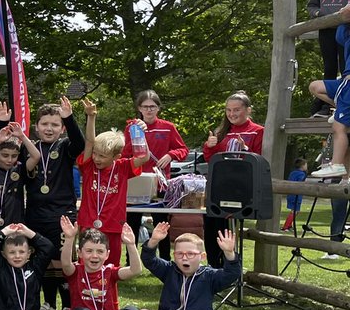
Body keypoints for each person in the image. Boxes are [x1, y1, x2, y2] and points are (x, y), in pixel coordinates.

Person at [13, 97, 85, 310]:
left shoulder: (65, 147)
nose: (49, 128)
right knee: (42, 259)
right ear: (36, 127)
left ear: (62, 129)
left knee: (62, 260)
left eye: (55, 124)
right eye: (44, 124)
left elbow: (80, 144)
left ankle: (68, 306)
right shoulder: (29, 148)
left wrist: (69, 118)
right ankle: (49, 304)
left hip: (62, 214)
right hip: (35, 214)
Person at [135, 223, 240, 310]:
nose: (184, 258)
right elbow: (149, 260)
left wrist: (229, 253)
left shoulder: (209, 276)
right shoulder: (169, 270)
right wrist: (154, 240)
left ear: (202, 256)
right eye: (180, 254)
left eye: (190, 254)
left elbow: (232, 274)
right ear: (174, 256)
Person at [77, 99, 149, 266]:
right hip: (88, 223)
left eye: (102, 156)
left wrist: (140, 134)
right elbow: (90, 141)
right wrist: (91, 117)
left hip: (113, 225)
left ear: (116, 157)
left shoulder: (122, 167)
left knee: (111, 266)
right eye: (95, 153)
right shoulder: (88, 166)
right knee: (86, 264)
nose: (96, 158)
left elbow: (143, 157)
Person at [123, 90, 189, 258]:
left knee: (161, 222)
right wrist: (137, 137)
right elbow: (125, 153)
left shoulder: (168, 127)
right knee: (132, 222)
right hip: (137, 181)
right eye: (145, 107)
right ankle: (131, 261)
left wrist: (171, 155)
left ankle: (165, 259)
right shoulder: (132, 127)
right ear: (139, 108)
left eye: (152, 106)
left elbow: (183, 149)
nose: (149, 110)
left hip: (160, 182)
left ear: (158, 108)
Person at [59, 219, 143, 310]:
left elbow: (135, 270)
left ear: (107, 254)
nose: (94, 255)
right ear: (80, 253)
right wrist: (69, 238)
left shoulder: (110, 271)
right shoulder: (76, 271)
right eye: (89, 251)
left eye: (100, 251)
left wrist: (131, 244)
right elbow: (65, 264)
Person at [201, 91, 264, 266]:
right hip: (219, 187)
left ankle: (231, 266)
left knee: (229, 230)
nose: (232, 114)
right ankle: (214, 266)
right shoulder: (221, 131)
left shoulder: (257, 131)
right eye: (228, 110)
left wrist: (245, 151)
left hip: (241, 190)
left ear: (248, 110)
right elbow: (211, 159)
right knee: (212, 226)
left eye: (236, 110)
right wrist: (209, 146)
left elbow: (260, 159)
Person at [306, 0, 350, 116]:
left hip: (346, 31)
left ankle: (345, 103)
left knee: (346, 66)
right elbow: (312, 6)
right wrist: (319, 14)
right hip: (326, 30)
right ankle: (327, 106)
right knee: (329, 66)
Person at [0, 122, 41, 243]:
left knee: (14, 253)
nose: (10, 160)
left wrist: (22, 136)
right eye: (5, 155)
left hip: (15, 226)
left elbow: (36, 156)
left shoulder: (20, 171)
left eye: (14, 156)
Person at [309, 19, 350, 180]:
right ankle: (340, 108)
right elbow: (339, 36)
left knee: (338, 127)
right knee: (315, 86)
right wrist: (343, 18)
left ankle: (337, 165)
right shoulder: (346, 33)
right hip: (344, 82)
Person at [283, 157, 308, 232]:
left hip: (291, 194)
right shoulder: (301, 174)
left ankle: (289, 225)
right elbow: (301, 183)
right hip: (296, 195)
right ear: (302, 166)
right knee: (294, 211)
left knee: (294, 211)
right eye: (306, 165)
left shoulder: (293, 173)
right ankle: (286, 226)